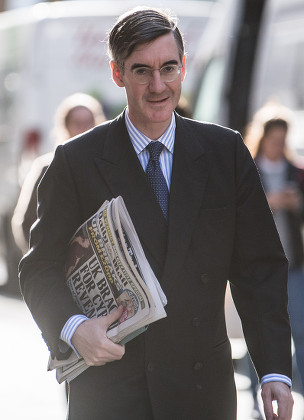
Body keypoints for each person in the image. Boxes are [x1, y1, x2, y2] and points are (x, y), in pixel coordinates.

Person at [19, 7, 294, 419]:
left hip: (202, 392)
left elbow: (259, 270)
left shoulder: (226, 153)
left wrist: (274, 370)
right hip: (110, 391)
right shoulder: (76, 161)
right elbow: (38, 267)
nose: (158, 85)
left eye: (168, 67)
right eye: (142, 70)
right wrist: (74, 329)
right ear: (117, 73)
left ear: (184, 67)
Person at [245, 107, 304, 405]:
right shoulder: (248, 169)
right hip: (259, 266)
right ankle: (258, 400)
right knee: (258, 328)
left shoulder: (297, 170)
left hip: (294, 262)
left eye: (283, 140)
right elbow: (241, 214)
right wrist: (271, 201)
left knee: (300, 328)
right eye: (273, 139)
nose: (278, 145)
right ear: (263, 138)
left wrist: (296, 204)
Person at [12, 92, 105, 255]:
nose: (83, 128)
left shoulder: (106, 166)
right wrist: (40, 263)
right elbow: (25, 222)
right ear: (65, 126)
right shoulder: (47, 167)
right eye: (77, 123)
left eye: (88, 122)